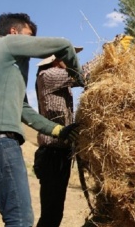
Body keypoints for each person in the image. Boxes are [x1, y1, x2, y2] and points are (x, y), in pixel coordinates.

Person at [0, 12, 83, 227]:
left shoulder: (2, 65)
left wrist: (58, 130)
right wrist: (81, 77)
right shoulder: (7, 44)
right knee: (20, 220)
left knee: (18, 217)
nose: (31, 44)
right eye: (29, 36)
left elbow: (23, 109)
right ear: (14, 32)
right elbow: (64, 45)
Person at [33, 47, 84, 227]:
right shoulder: (49, 75)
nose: (71, 60)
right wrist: (110, 51)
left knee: (55, 212)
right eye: (68, 57)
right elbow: (83, 74)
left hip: (59, 153)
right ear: (55, 59)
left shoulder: (58, 77)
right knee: (51, 214)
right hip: (51, 153)